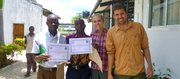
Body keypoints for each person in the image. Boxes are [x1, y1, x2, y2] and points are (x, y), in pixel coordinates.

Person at [106, 3, 153, 79]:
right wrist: (109, 74)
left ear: (126, 13)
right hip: (120, 74)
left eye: (122, 14)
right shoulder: (111, 32)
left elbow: (145, 48)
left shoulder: (138, 27)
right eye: (117, 15)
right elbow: (110, 53)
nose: (120, 16)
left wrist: (150, 66)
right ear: (114, 16)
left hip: (138, 73)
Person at [31, 14, 65, 79]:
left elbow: (65, 57)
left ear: (58, 23)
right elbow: (34, 56)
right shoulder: (39, 37)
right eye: (51, 22)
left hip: (57, 72)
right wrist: (40, 57)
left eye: (55, 22)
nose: (53, 24)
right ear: (47, 23)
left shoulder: (63, 39)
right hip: (43, 72)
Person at [91, 14, 108, 79]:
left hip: (106, 68)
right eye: (94, 21)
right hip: (94, 68)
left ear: (103, 21)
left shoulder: (109, 34)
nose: (97, 23)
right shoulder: (92, 35)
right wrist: (92, 48)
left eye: (99, 21)